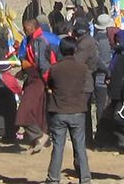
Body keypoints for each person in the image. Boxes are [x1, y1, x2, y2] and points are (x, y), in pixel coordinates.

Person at [44, 37, 92, 184]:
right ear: (74, 50)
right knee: (80, 146)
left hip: (59, 111)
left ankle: (53, 178)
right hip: (77, 110)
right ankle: (85, 178)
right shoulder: (82, 68)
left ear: (60, 50)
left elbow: (50, 84)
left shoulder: (54, 68)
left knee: (58, 147)